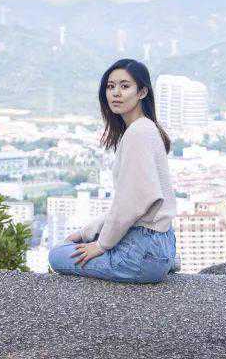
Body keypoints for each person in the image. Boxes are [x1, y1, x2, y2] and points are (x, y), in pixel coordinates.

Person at [48, 58, 180, 283]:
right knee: (76, 243)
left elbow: (131, 204)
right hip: (161, 242)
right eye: (111, 86)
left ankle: (155, 264)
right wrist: (86, 233)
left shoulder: (138, 133)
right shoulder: (146, 128)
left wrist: (101, 245)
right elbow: (129, 205)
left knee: (58, 255)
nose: (116, 93)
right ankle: (164, 261)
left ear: (142, 92)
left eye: (125, 86)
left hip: (142, 252)